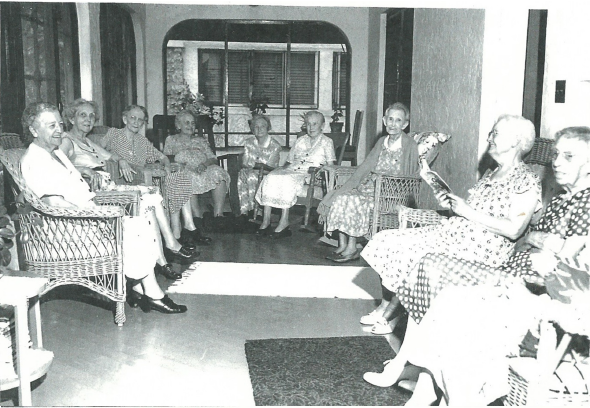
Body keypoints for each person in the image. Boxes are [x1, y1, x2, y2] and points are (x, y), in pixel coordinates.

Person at [362, 126, 590, 405]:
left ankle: (419, 380)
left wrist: (536, 239)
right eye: (555, 154)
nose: (556, 162)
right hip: (512, 273)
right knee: (443, 296)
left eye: (569, 156)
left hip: (527, 289)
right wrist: (539, 239)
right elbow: (531, 240)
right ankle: (423, 384)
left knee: (440, 280)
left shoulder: (584, 201)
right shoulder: (559, 200)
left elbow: (559, 255)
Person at [360, 114, 542, 335]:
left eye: (495, 133)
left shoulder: (526, 179)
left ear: (515, 141)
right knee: (385, 239)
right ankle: (389, 305)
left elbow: (514, 229)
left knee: (416, 251)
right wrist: (453, 204)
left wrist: (467, 211)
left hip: (482, 248)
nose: (489, 138)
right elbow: (474, 212)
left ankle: (392, 314)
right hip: (455, 233)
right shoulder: (491, 173)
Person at [20, 102, 187, 314]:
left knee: (139, 216)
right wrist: (99, 216)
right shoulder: (35, 159)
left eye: (59, 124)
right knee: (134, 224)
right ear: (34, 130)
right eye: (51, 126)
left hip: (81, 218)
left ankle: (140, 289)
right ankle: (152, 293)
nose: (59, 130)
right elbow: (53, 204)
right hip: (65, 231)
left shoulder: (55, 153)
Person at [59, 98, 196, 279]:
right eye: (82, 115)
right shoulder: (67, 140)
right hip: (94, 195)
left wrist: (122, 160)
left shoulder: (87, 141)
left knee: (151, 197)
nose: (88, 119)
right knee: (148, 197)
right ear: (71, 119)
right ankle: (169, 249)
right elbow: (57, 167)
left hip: (107, 188)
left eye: (91, 116)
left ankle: (164, 256)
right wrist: (82, 169)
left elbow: (111, 155)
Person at [318, 103, 420, 263]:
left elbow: (410, 174)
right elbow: (366, 166)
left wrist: (385, 181)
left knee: (353, 200)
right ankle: (343, 244)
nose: (393, 124)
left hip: (390, 193)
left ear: (405, 124)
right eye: (390, 119)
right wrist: (356, 182)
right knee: (342, 196)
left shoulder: (409, 145)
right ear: (384, 120)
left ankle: (352, 248)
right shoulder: (382, 141)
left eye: (398, 120)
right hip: (370, 186)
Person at [100, 105, 204, 246]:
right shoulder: (114, 134)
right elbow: (97, 150)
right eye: (132, 118)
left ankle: (184, 229)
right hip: (123, 180)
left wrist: (167, 166)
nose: (136, 122)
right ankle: (179, 233)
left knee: (179, 176)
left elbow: (162, 157)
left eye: (140, 120)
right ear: (125, 119)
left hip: (145, 179)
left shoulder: (142, 141)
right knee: (174, 181)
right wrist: (119, 159)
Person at [255, 111, 336, 238]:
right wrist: (279, 170)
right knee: (271, 176)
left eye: (315, 124)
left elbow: (331, 166)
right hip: (293, 169)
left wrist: (320, 174)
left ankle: (284, 222)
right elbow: (289, 161)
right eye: (308, 124)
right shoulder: (300, 140)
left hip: (310, 174)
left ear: (322, 125)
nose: (311, 127)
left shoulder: (327, 142)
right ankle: (266, 221)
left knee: (287, 180)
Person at [163, 110, 230, 230]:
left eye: (193, 123)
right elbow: (166, 158)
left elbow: (212, 158)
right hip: (184, 169)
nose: (190, 126)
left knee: (218, 172)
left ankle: (218, 216)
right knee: (187, 176)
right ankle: (196, 218)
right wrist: (182, 164)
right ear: (178, 125)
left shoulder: (200, 140)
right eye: (186, 123)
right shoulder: (171, 139)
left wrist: (205, 164)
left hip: (203, 169)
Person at [237, 114, 281, 216]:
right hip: (251, 172)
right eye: (256, 127)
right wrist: (244, 169)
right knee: (242, 175)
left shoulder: (275, 146)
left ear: (268, 128)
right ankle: (244, 211)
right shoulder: (249, 143)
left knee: (251, 176)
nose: (259, 129)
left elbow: (272, 167)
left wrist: (253, 169)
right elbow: (245, 162)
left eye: (263, 126)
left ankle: (257, 212)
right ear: (252, 130)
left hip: (268, 175)